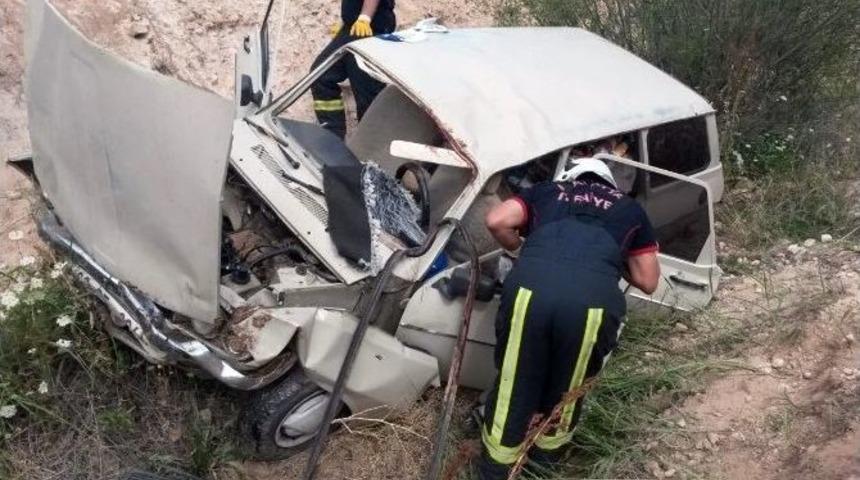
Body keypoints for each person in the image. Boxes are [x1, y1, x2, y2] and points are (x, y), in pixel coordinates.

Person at [477, 155, 661, 479]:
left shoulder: (548, 191)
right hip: (592, 305)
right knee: (567, 390)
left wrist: (522, 247)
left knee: (514, 385)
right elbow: (648, 280)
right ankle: (542, 469)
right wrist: (610, 262)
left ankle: (495, 471)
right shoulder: (630, 210)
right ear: (610, 186)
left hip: (531, 292)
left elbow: (496, 220)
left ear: (571, 177)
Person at [310, 0, 396, 139]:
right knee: (321, 76)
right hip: (353, 29)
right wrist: (348, 22)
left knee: (367, 97)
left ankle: (372, 150)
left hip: (369, 30)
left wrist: (365, 17)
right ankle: (332, 137)